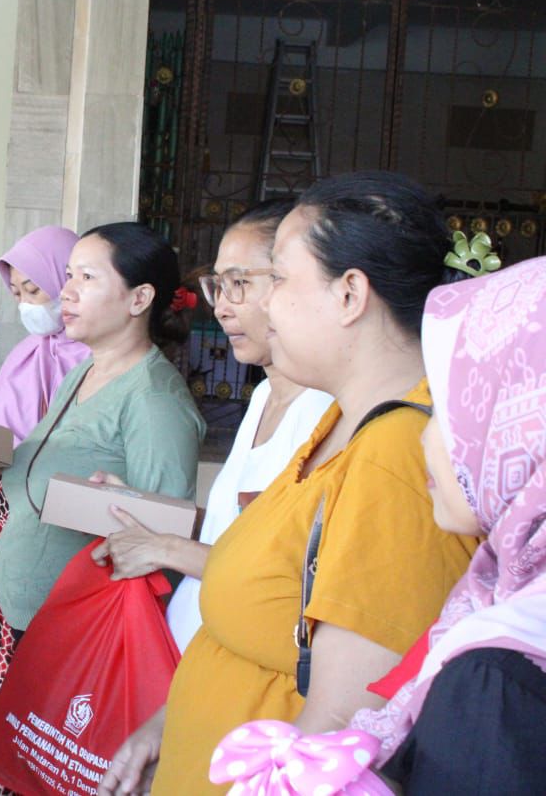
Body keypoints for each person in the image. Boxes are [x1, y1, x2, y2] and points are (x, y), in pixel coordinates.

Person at [147, 172, 481, 796]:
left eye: (277, 279)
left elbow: (342, 725)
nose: (261, 304)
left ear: (350, 294)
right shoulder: (342, 421)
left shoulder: (396, 456)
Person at [0, 222, 205, 795]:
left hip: (79, 638)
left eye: (86, 278)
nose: (65, 292)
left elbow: (162, 541)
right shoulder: (85, 370)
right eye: (68, 276)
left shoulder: (154, 400)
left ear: (139, 299)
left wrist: (116, 505)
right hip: (29, 621)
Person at [93, 200, 332, 795]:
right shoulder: (263, 397)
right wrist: (149, 514)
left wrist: (166, 548)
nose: (222, 305)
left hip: (251, 693)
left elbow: (288, 577)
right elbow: (236, 529)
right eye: (217, 284)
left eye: (240, 283)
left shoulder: (324, 415)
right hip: (191, 664)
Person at [347, 257, 546, 794]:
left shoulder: (496, 683)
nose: (425, 437)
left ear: (521, 429)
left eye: (449, 409)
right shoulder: (502, 607)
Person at [0, 225, 90, 444]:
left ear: (66, 279)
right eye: (17, 293)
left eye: (33, 290)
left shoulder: (101, 354)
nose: (25, 304)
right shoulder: (21, 357)